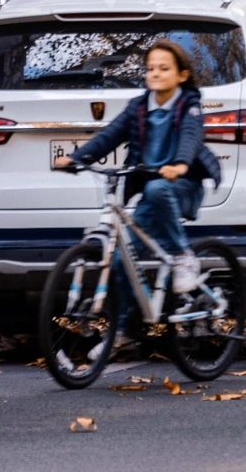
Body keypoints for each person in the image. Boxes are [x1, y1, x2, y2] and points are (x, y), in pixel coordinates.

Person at [59, 38, 221, 294]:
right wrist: (78, 158)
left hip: (183, 188)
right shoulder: (138, 107)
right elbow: (109, 136)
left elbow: (190, 137)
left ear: (182, 75)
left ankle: (182, 256)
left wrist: (179, 165)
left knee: (158, 188)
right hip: (152, 196)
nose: (155, 73)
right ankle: (126, 330)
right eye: (150, 68)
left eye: (164, 68)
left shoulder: (189, 106)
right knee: (122, 261)